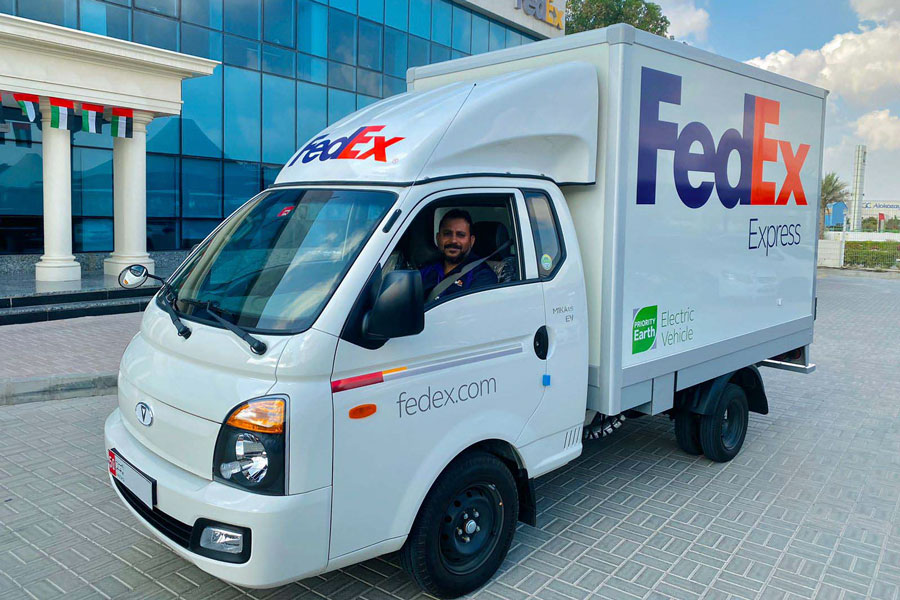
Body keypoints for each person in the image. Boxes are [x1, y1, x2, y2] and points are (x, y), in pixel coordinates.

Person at [419, 209, 497, 301]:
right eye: (447, 234)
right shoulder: (427, 270)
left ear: (471, 241)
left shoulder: (482, 276)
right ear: (438, 238)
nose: (453, 241)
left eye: (460, 235)